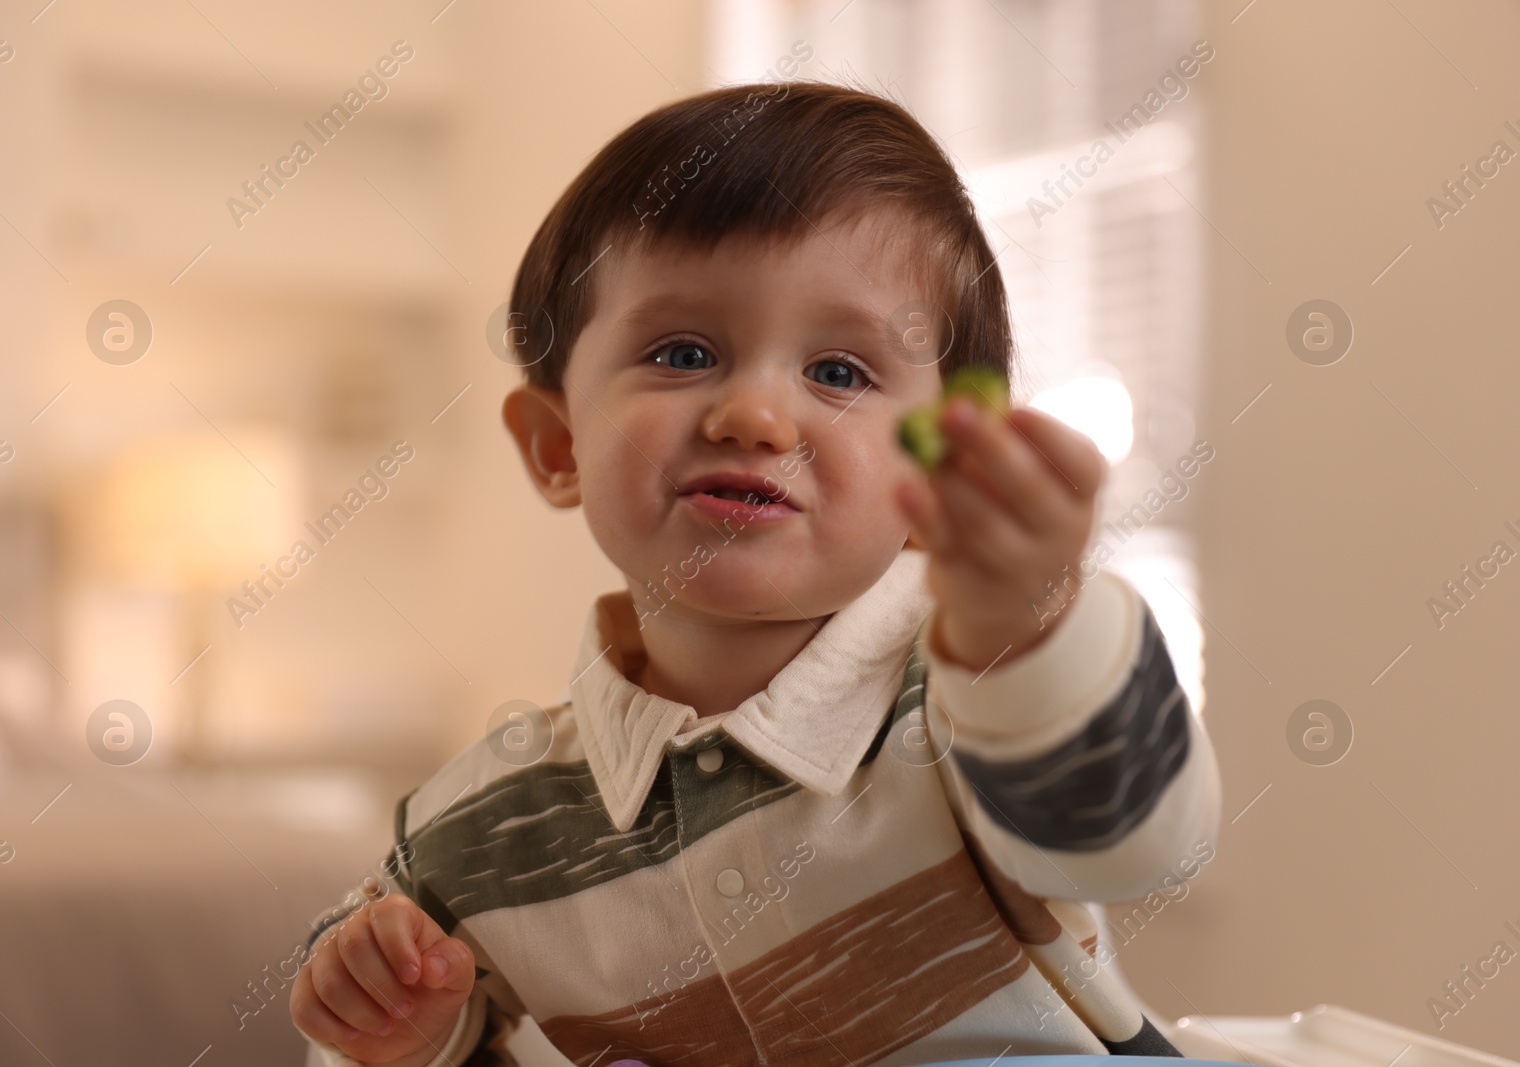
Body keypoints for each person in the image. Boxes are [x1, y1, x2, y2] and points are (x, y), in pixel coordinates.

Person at [290, 77, 1222, 1067]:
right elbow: (374, 1035)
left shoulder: (973, 695)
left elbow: (1136, 845)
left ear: (938, 453)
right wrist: (402, 1036)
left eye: (837, 371)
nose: (755, 416)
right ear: (558, 444)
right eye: (683, 351)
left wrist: (1029, 628)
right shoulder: (475, 835)